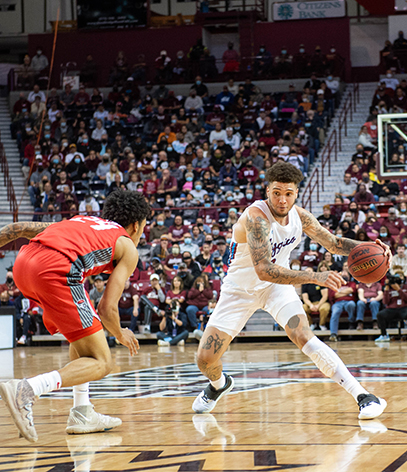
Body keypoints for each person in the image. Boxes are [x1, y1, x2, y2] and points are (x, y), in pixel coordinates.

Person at [192, 161, 389, 420]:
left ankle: (363, 396)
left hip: (277, 288)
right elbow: (263, 269)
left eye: (288, 193)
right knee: (205, 360)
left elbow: (333, 243)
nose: (282, 200)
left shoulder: (301, 216)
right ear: (268, 191)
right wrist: (315, 277)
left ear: (297, 192)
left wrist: (370, 247)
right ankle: (219, 384)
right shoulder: (256, 218)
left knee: (303, 335)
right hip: (239, 291)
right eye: (276, 192)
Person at [0, 190, 149, 442]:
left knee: (83, 337)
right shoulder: (127, 246)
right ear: (136, 225)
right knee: (103, 361)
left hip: (24, 264)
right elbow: (107, 309)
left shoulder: (80, 220)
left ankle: (82, 411)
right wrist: (120, 333)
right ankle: (27, 389)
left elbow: (19, 228)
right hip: (54, 270)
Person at [375, 271, 407, 342]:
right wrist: (386, 290)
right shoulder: (389, 288)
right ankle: (384, 335)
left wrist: (399, 290)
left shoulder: (405, 287)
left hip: (404, 308)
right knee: (380, 315)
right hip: (391, 309)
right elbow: (385, 302)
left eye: (400, 276)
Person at [301, 266, 330, 331]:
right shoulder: (304, 284)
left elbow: (325, 296)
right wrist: (311, 305)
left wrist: (318, 305)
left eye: (309, 271)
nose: (308, 273)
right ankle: (311, 324)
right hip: (311, 303)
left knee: (324, 308)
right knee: (302, 308)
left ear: (314, 272)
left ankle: (322, 325)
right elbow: (305, 298)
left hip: (322, 302)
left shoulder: (320, 281)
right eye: (306, 272)